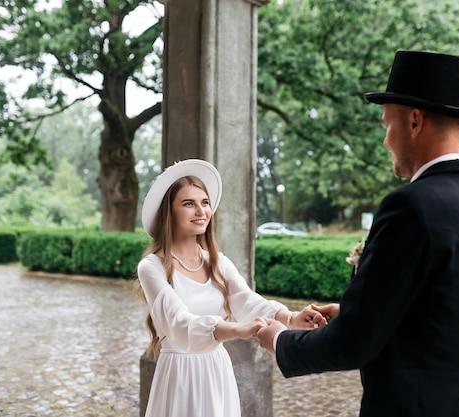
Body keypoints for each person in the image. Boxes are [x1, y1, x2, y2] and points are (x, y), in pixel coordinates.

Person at [256, 50, 459, 417]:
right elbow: (442, 313)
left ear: (414, 121)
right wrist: (358, 311)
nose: (385, 141)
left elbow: (353, 344)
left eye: (386, 124)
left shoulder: (410, 206)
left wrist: (279, 340)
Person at [136, 159, 326, 417]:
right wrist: (239, 329)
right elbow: (181, 324)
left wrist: (291, 317)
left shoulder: (217, 262)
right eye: (188, 203)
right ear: (168, 212)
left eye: (204, 202)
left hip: (216, 369)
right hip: (179, 374)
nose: (201, 211)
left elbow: (247, 301)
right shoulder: (151, 267)